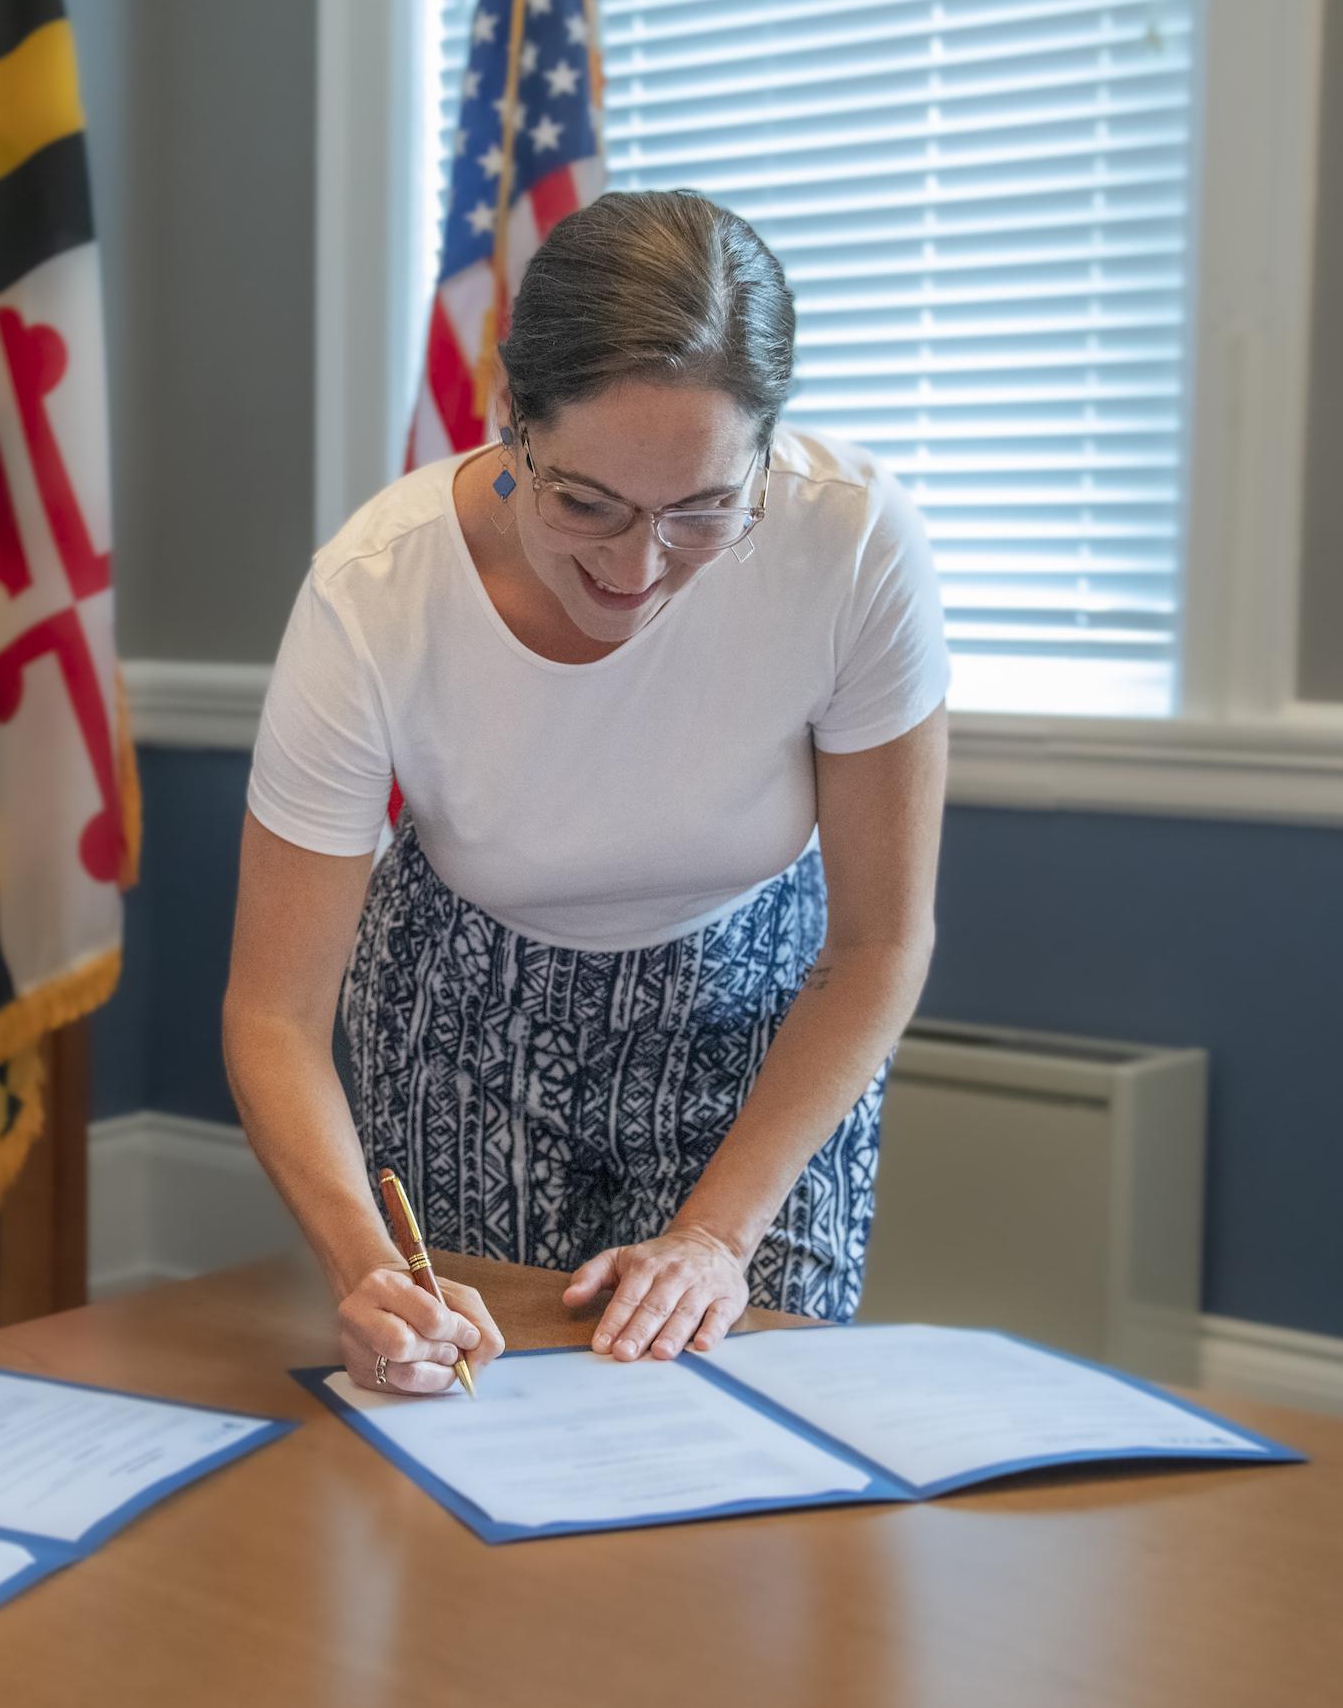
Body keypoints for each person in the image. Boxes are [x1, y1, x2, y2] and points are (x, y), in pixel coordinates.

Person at [225, 190, 948, 1397]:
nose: (636, 566)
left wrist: (718, 1235)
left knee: (748, 1425)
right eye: (586, 503)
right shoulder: (375, 591)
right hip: (462, 1018)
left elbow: (879, 939)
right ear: (514, 424)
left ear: (767, 453)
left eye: (705, 511)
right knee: (478, 1407)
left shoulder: (856, 545)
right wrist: (363, 1266)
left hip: (760, 1017)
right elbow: (276, 1014)